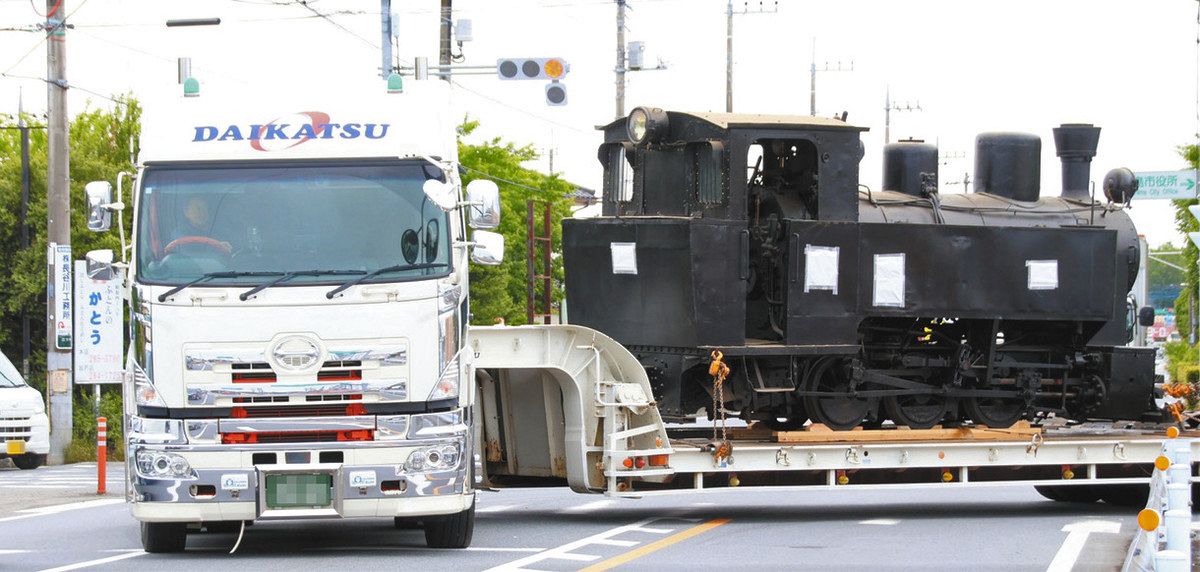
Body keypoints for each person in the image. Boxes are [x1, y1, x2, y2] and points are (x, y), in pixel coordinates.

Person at [163, 196, 232, 255]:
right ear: (186, 212)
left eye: (204, 208)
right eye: (197, 208)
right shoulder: (179, 233)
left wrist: (225, 249)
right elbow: (185, 253)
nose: (201, 212)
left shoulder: (222, 232)